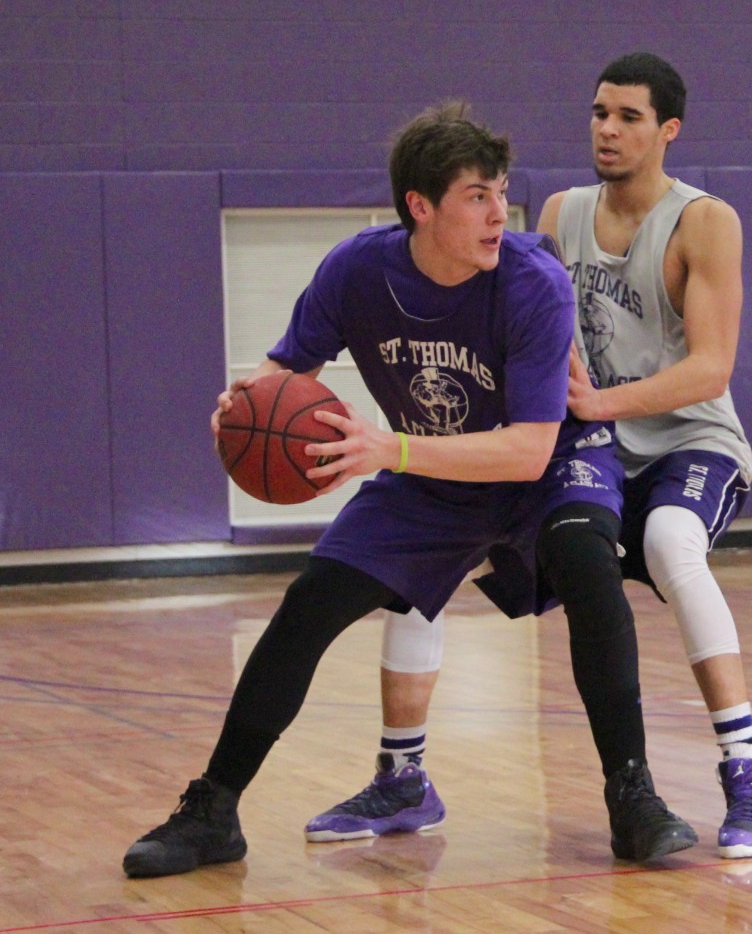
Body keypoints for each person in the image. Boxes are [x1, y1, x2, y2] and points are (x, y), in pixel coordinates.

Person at [121, 102, 696, 879]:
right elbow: (288, 370)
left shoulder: (533, 280)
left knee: (588, 565)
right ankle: (213, 809)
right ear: (420, 207)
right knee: (309, 604)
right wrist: (245, 403)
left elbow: (527, 450)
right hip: (432, 471)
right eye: (476, 197)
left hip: (549, 461)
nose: (499, 213)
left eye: (500, 192)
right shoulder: (357, 270)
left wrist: (384, 447)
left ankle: (634, 796)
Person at [310, 54, 752, 861]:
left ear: (668, 130)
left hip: (688, 440)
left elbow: (712, 368)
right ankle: (402, 773)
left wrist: (601, 401)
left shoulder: (706, 221)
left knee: (672, 542)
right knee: (437, 536)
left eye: (628, 117)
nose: (606, 128)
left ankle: (747, 769)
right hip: (589, 447)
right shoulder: (562, 212)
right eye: (599, 112)